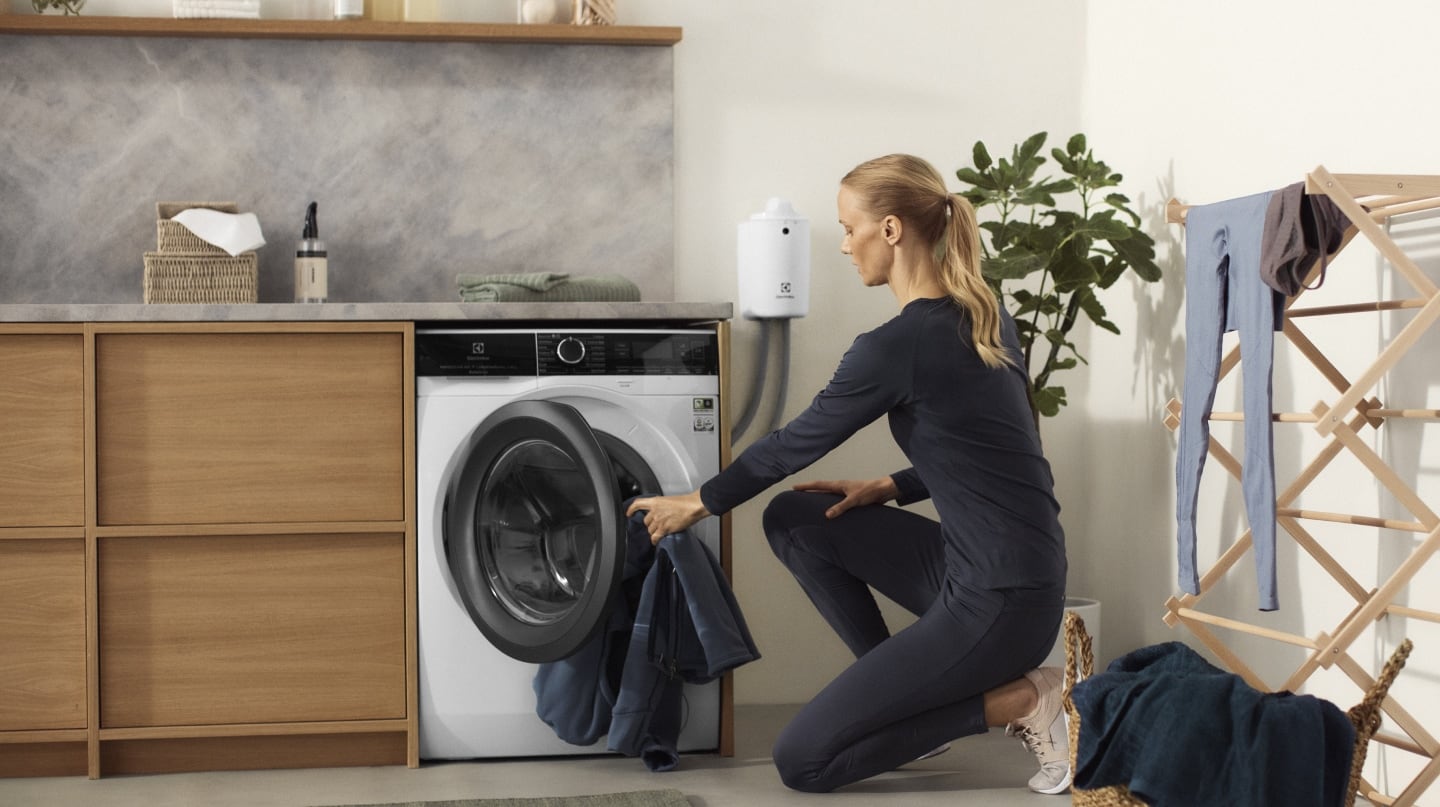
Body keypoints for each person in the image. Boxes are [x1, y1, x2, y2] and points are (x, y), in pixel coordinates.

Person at [625, 153, 1070, 795]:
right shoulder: (987, 314)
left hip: (999, 603)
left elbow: (790, 446)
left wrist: (699, 502)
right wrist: (892, 486)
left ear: (889, 230)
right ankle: (920, 708)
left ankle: (1026, 700)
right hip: (998, 572)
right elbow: (1003, 448)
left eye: (848, 227)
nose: (843, 244)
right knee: (796, 518)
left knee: (802, 761)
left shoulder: (894, 346)